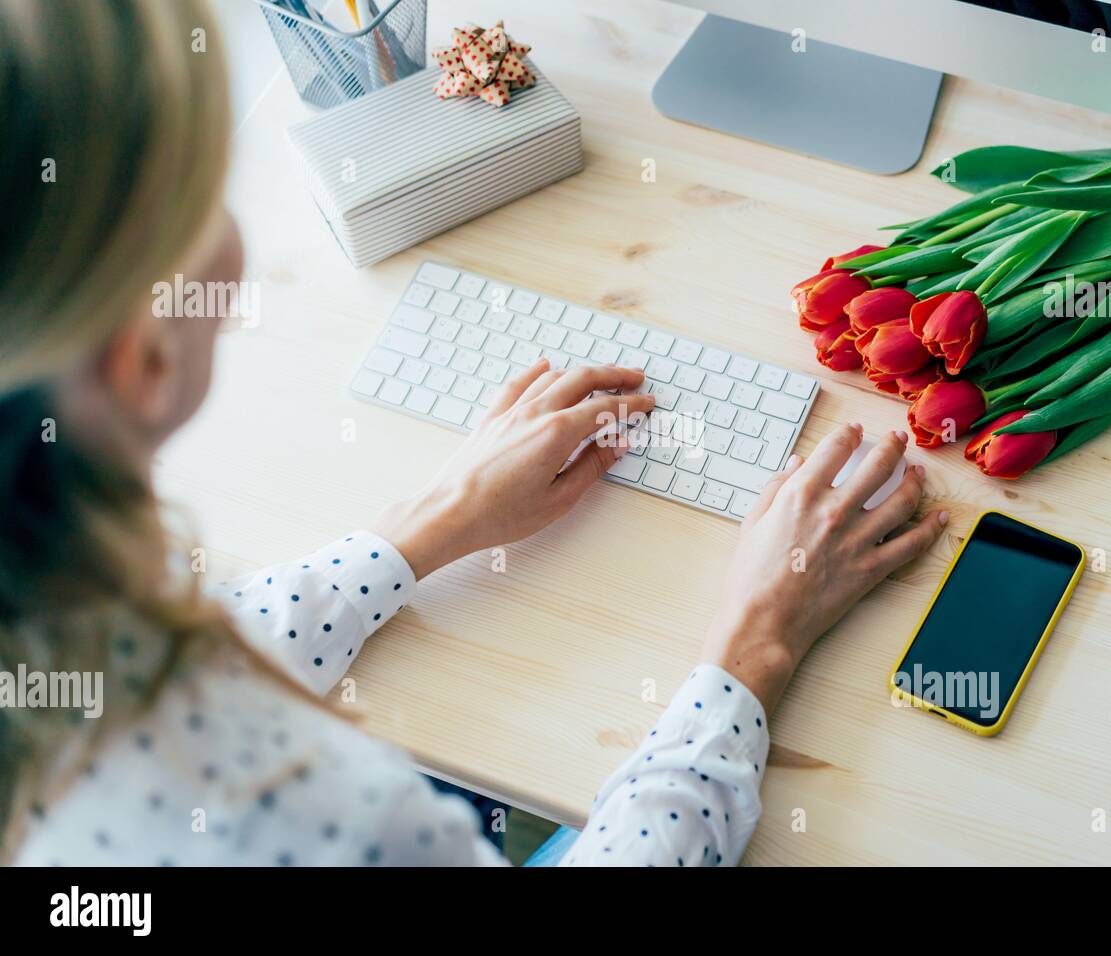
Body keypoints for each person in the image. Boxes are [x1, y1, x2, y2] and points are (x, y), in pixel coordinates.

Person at [0, 0, 947, 867]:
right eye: (209, 189)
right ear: (143, 359)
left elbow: (168, 671)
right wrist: (758, 642)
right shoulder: (296, 814)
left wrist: (428, 525)